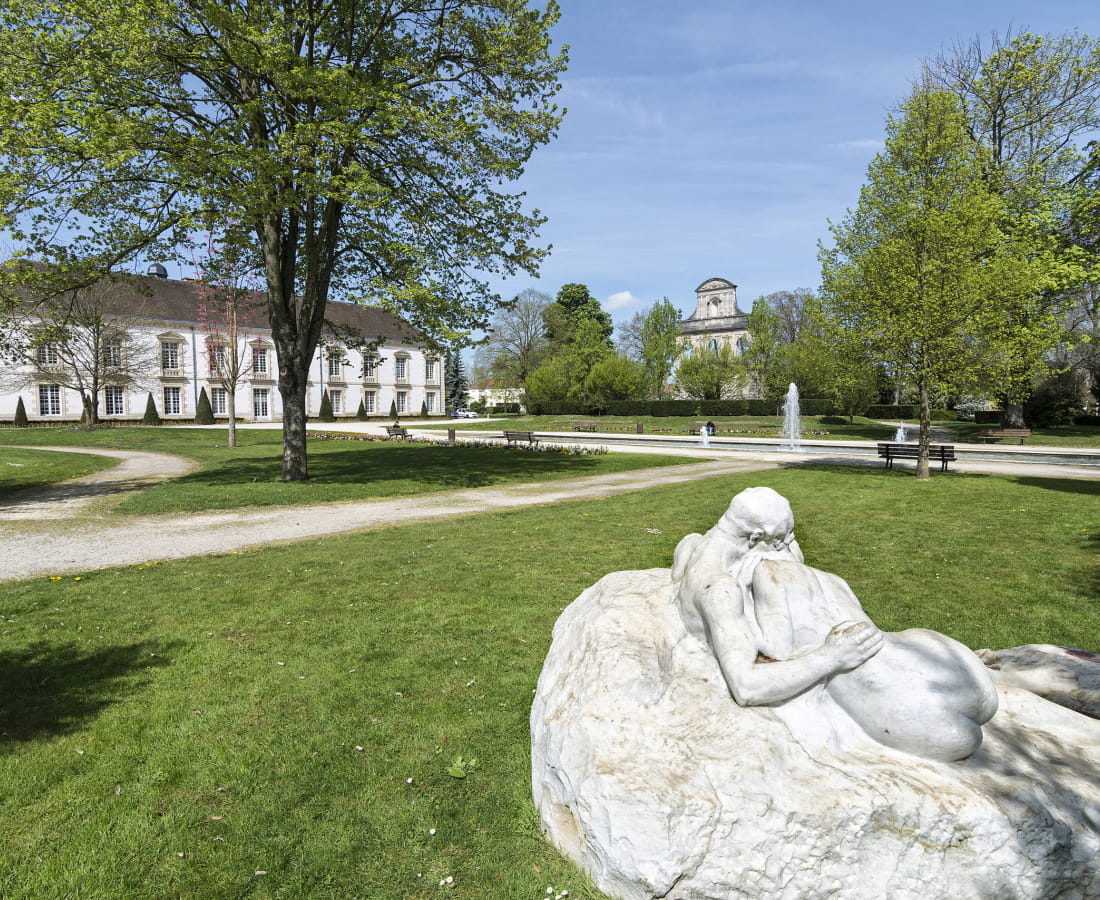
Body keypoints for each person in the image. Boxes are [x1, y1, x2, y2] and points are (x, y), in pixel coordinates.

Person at [671, 487, 998, 761]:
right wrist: (832, 657)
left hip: (903, 668)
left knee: (977, 702)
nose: (791, 546)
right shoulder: (722, 590)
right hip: (894, 699)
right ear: (757, 537)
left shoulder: (691, 546)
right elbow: (747, 686)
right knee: (962, 735)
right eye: (785, 539)